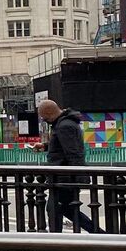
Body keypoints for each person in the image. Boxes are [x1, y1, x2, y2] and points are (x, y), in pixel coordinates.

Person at [39, 98, 96, 233]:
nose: (43, 119)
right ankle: (100, 234)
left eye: (43, 116)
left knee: (55, 209)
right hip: (64, 176)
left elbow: (73, 153)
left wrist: (78, 176)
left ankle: (57, 243)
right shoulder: (64, 124)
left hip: (64, 178)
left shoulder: (64, 126)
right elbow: (65, 148)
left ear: (48, 113)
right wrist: (45, 146)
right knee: (66, 209)